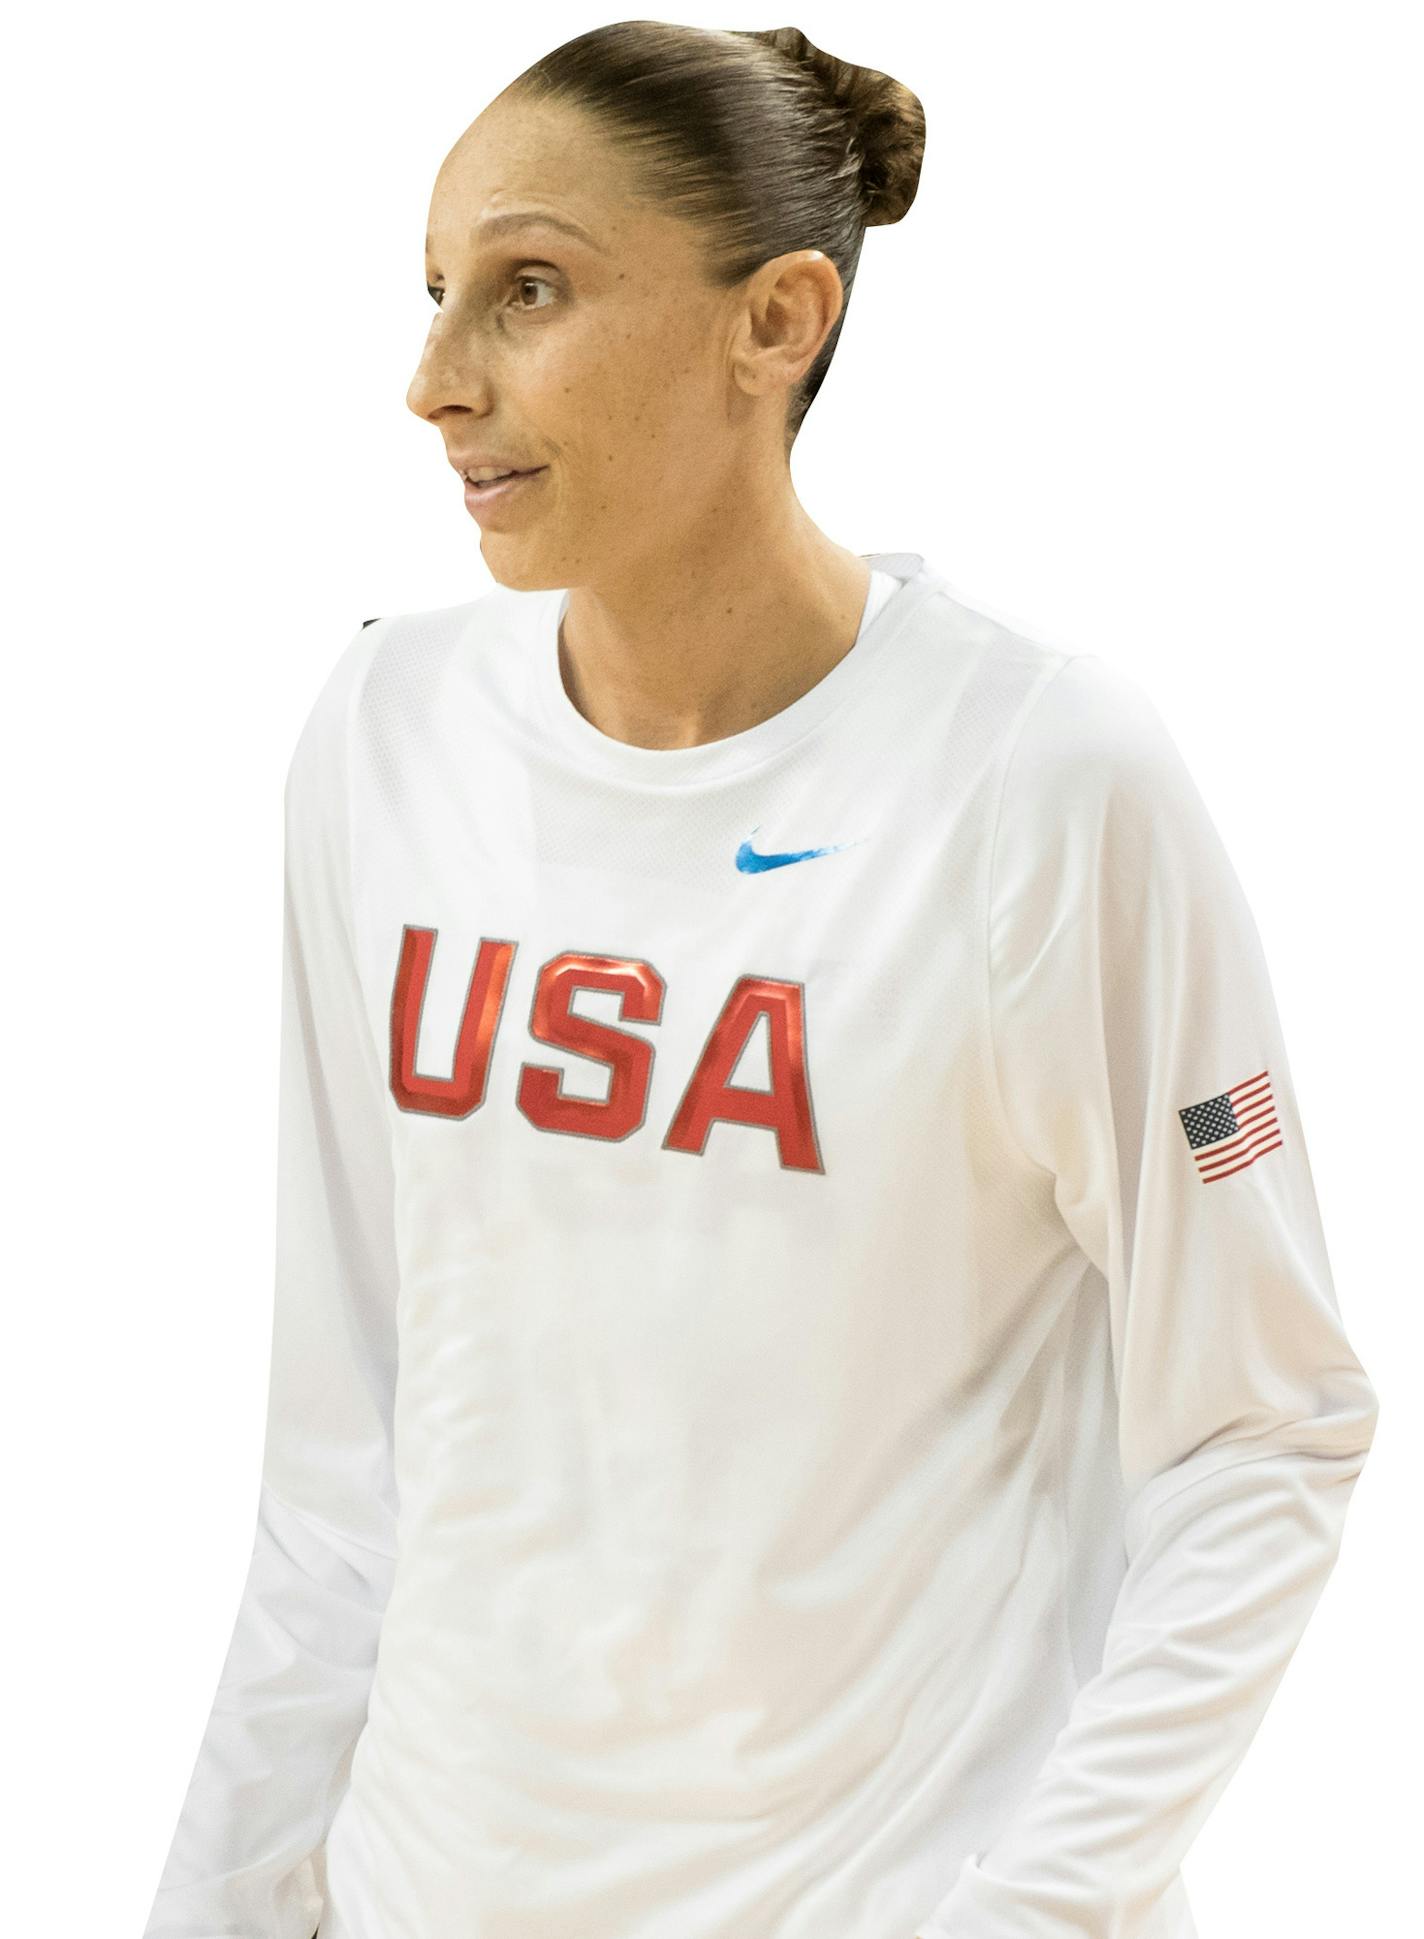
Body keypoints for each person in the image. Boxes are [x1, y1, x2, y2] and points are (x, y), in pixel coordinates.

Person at [141, 22, 1379, 1939]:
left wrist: (1032, 1913)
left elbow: (1267, 1428)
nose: (433, 380)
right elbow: (344, 1444)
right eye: (438, 292)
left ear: (777, 320)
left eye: (528, 289)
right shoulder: (385, 733)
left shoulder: (1039, 780)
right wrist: (218, 1904)